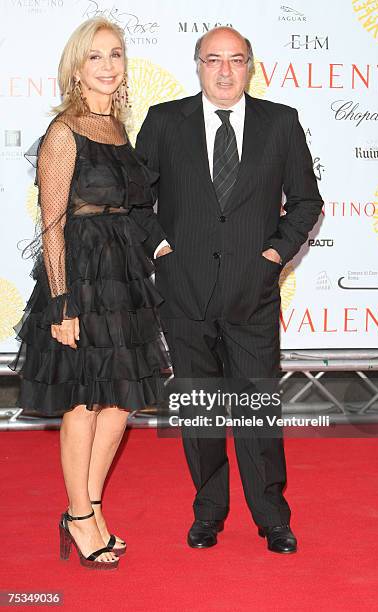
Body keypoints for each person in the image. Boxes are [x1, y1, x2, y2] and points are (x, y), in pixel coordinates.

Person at [136, 27, 323, 554]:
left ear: (250, 66)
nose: (224, 71)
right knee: (200, 411)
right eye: (213, 60)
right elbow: (133, 199)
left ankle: (273, 518)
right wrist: (160, 248)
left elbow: (307, 201)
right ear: (197, 65)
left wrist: (273, 256)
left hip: (252, 293)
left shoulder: (280, 122)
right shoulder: (164, 121)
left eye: (235, 60)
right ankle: (208, 513)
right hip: (184, 294)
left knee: (255, 410)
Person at [10, 17, 168, 569]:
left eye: (115, 54)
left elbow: (137, 209)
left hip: (123, 274)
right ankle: (78, 516)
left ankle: (93, 506)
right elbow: (52, 224)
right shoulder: (62, 131)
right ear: (77, 69)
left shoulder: (122, 131)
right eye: (95, 56)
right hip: (80, 274)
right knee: (84, 398)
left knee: (120, 399)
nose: (107, 65)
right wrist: (62, 303)